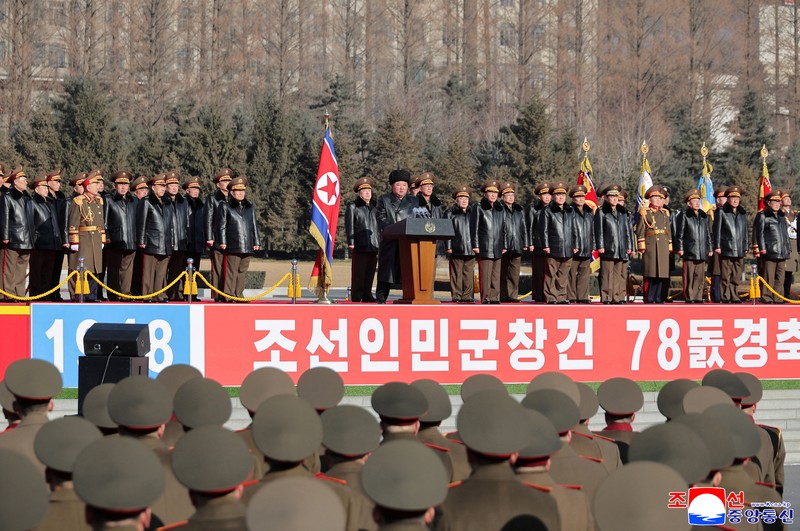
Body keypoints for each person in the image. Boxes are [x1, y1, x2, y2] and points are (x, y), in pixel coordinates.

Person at [375, 169, 417, 303]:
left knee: (408, 271)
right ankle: (381, 298)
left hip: (408, 242)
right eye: (398, 185)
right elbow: (380, 217)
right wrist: (394, 229)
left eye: (404, 185)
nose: (402, 188)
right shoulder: (384, 199)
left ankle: (410, 298)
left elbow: (419, 218)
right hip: (390, 241)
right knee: (386, 272)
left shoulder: (414, 200)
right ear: (392, 186)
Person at [216, 176, 261, 300]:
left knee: (242, 271)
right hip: (233, 243)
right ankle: (229, 295)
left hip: (247, 244)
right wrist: (223, 241)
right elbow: (221, 226)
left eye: (243, 191)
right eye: (238, 191)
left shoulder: (249, 207)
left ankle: (239, 294)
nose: (241, 193)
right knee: (232, 271)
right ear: (232, 192)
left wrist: (256, 241)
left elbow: (254, 225)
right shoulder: (225, 206)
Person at [67, 170, 107, 302]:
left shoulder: (98, 201)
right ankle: (83, 296)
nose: (98, 187)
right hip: (84, 239)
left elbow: (101, 222)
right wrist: (74, 242)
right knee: (84, 269)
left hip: (95, 239)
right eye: (95, 184)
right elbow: (73, 223)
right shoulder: (78, 201)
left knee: (95, 269)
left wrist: (102, 238)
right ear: (88, 186)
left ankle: (93, 295)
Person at [136, 174, 174, 303]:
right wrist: (141, 241)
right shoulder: (146, 201)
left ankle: (159, 293)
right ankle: (147, 294)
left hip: (165, 243)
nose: (163, 189)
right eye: (160, 186)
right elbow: (141, 223)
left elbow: (171, 225)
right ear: (153, 187)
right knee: (149, 271)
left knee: (161, 272)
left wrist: (172, 242)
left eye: (164, 186)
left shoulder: (168, 203)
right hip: (151, 241)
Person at [594, 184, 632, 304]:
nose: (615, 199)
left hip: (621, 247)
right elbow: (598, 230)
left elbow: (627, 231)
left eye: (617, 196)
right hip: (608, 247)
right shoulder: (601, 212)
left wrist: (629, 246)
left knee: (618, 274)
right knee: (607, 274)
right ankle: (606, 297)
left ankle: (616, 296)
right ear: (606, 198)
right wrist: (600, 246)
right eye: (612, 196)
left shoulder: (622, 212)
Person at [104, 170, 138, 300]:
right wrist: (107, 237)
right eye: (120, 184)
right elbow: (105, 222)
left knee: (127, 270)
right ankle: (113, 294)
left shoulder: (133, 201)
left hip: (130, 240)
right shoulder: (108, 199)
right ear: (114, 185)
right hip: (115, 240)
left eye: (126, 184)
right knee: (113, 270)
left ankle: (125, 293)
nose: (123, 187)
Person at [540, 181, 576, 304]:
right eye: (558, 195)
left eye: (563, 195)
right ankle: (550, 297)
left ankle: (561, 296)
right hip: (553, 247)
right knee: (551, 274)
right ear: (553, 196)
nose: (561, 197)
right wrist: (545, 245)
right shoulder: (547, 211)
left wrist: (575, 245)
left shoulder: (570, 211)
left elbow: (574, 229)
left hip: (568, 247)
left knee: (563, 274)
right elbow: (543, 230)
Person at [470, 179, 505, 304]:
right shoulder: (478, 208)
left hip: (498, 246)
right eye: (490, 192)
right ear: (485, 194)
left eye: (495, 193)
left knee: (496, 275)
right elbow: (474, 228)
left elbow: (504, 228)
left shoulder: (500, 209)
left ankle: (495, 297)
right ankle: (485, 298)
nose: (493, 195)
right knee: (485, 274)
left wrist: (504, 244)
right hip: (484, 245)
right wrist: (475, 245)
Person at [345, 176, 379, 302]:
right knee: (359, 272)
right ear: (359, 193)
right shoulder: (353, 206)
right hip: (360, 243)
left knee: (370, 271)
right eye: (364, 191)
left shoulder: (376, 207)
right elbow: (350, 225)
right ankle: (357, 294)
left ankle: (367, 293)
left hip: (373, 243)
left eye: (369, 191)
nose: (367, 193)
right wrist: (351, 242)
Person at [675, 188, 712, 303]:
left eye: (698, 201)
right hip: (689, 250)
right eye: (694, 201)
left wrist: (709, 248)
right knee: (689, 276)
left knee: (700, 276)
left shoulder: (704, 216)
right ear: (688, 203)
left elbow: (708, 234)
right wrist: (680, 248)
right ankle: (690, 296)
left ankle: (698, 296)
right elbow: (679, 233)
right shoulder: (684, 215)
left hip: (701, 250)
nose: (697, 203)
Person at [29, 173, 63, 298]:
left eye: (46, 187)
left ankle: (46, 296)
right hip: (39, 244)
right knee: (37, 273)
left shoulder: (49, 203)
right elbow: (31, 225)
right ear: (37, 188)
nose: (46, 190)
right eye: (43, 187)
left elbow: (54, 224)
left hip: (51, 244)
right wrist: (33, 242)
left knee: (48, 273)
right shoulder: (32, 203)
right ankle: (37, 296)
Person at [0, 168, 32, 299]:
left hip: (26, 240)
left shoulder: (26, 197)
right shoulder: (7, 197)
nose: (26, 183)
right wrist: (5, 236)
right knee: (8, 270)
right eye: (23, 180)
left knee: (21, 270)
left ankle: (19, 294)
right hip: (13, 238)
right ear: (15, 182)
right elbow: (5, 217)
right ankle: (8, 294)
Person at [636, 185, 672, 303]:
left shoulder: (665, 213)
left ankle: (658, 297)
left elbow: (668, 231)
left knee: (661, 273)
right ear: (650, 200)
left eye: (660, 199)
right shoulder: (645, 213)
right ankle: (650, 297)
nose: (659, 201)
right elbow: (640, 231)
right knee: (651, 273)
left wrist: (670, 245)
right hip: (651, 245)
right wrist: (641, 246)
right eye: (656, 198)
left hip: (663, 245)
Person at [713, 186, 748, 303]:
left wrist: (746, 246)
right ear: (728, 199)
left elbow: (745, 231)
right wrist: (717, 246)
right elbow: (717, 230)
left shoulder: (742, 212)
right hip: (726, 247)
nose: (735, 200)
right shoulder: (721, 211)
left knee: (737, 275)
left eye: (737, 198)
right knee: (725, 275)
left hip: (739, 248)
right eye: (733, 198)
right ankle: (725, 296)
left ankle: (734, 294)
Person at [754, 189, 791, 303]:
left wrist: (787, 248)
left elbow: (785, 234)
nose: (777, 204)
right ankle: (767, 297)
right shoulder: (763, 215)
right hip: (770, 251)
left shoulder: (781, 216)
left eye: (778, 201)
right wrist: (762, 248)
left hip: (782, 251)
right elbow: (759, 234)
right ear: (768, 202)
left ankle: (778, 297)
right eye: (774, 201)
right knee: (769, 276)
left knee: (780, 277)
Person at [205, 168, 232, 301]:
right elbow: (208, 218)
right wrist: (209, 237)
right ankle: (217, 294)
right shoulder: (212, 198)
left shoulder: (234, 197)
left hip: (232, 238)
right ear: (218, 184)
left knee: (230, 267)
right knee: (218, 267)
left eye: (229, 180)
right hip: (216, 237)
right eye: (224, 180)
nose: (227, 182)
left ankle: (229, 292)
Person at [445, 185, 475, 303]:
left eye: (466, 199)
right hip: (456, 248)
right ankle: (457, 295)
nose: (464, 201)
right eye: (461, 198)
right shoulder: (450, 213)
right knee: (456, 274)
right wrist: (448, 246)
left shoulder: (473, 213)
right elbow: (447, 231)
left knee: (468, 274)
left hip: (470, 248)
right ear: (456, 200)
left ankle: (467, 295)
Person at [499, 182, 527, 303]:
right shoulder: (499, 209)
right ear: (502, 197)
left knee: (514, 274)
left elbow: (523, 227)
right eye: (508, 195)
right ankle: (502, 295)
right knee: (502, 273)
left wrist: (525, 243)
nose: (511, 197)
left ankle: (513, 295)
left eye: (512, 195)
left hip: (516, 245)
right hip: (503, 246)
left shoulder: (519, 210)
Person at [165, 171, 191, 300]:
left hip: (180, 241)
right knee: (163, 271)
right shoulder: (163, 201)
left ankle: (175, 293)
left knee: (177, 271)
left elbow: (186, 222)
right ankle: (164, 293)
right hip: (167, 241)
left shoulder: (183, 202)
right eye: (172, 185)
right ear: (166, 186)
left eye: (176, 185)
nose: (175, 187)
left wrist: (187, 238)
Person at [527, 182, 551, 303]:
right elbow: (530, 227)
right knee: (538, 272)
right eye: (544, 195)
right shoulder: (533, 209)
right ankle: (538, 295)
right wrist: (530, 243)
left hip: (552, 245)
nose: (547, 197)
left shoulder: (554, 209)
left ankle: (549, 294)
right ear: (539, 196)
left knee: (550, 272)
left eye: (549, 194)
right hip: (538, 244)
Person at [569, 184, 594, 303]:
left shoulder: (589, 212)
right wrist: (572, 244)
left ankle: (582, 296)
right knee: (571, 273)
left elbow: (593, 230)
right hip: (574, 248)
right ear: (573, 199)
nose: (581, 200)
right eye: (578, 197)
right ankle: (572, 296)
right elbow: (568, 230)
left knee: (584, 274)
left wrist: (593, 245)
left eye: (583, 197)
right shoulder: (569, 211)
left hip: (586, 246)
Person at [47, 168, 68, 301]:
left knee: (57, 269)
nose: (58, 184)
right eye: (56, 181)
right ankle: (47, 293)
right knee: (47, 269)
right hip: (48, 239)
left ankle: (56, 292)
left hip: (59, 239)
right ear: (49, 182)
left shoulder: (61, 198)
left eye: (59, 181)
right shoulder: (45, 198)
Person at [707, 186, 727, 302]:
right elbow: (710, 231)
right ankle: (716, 295)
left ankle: (726, 295)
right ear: (718, 199)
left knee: (727, 272)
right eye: (724, 197)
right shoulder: (712, 213)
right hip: (716, 247)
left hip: (728, 247)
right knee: (717, 272)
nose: (726, 199)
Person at [183, 176, 205, 281]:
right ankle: (183, 293)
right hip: (187, 243)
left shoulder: (201, 206)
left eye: (198, 189)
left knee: (196, 270)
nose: (196, 192)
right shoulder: (183, 203)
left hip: (198, 243)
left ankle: (193, 293)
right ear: (187, 190)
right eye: (194, 189)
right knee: (184, 269)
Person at [781, 190, 798, 298]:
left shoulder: (794, 214)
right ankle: (780, 294)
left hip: (794, 244)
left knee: (789, 271)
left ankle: (786, 294)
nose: (789, 200)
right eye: (786, 198)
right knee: (782, 271)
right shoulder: (780, 213)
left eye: (789, 198)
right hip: (784, 244)